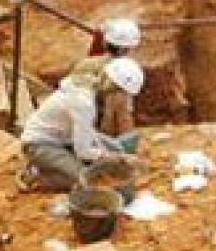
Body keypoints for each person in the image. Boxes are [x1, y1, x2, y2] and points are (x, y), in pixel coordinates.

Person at [18, 61, 139, 192]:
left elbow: (87, 133)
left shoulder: (88, 86)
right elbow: (83, 151)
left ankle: (54, 164)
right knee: (84, 179)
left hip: (63, 138)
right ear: (114, 88)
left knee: (112, 149)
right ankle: (35, 177)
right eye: (123, 94)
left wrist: (109, 153)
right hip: (39, 144)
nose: (124, 99)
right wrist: (116, 157)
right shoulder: (84, 103)